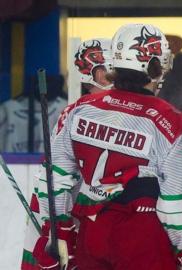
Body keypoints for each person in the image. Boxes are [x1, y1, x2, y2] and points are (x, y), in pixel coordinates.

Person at [30, 24, 182, 270]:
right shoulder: (171, 121)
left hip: (91, 233)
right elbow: (173, 203)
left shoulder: (78, 109)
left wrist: (58, 230)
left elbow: (55, 180)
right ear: (154, 65)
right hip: (141, 235)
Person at [20, 38, 113, 269]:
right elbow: (55, 179)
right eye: (117, 69)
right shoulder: (84, 113)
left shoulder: (78, 112)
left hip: (79, 221)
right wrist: (56, 231)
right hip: (77, 220)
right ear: (100, 75)